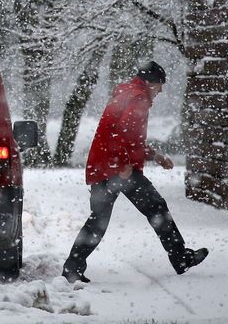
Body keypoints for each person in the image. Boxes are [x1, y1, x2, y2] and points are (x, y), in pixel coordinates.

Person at [62, 60, 208, 283]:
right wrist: (122, 165)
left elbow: (130, 136)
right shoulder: (138, 97)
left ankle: (72, 268)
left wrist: (154, 155)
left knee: (98, 220)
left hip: (106, 165)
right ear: (150, 83)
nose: (161, 90)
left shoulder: (128, 93)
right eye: (160, 85)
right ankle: (181, 259)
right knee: (156, 208)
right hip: (119, 171)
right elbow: (122, 134)